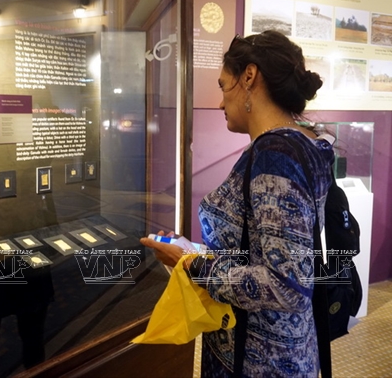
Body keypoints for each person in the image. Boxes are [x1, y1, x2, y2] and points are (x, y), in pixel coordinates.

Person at [141, 30, 335, 377]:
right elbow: (261, 251)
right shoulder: (304, 143)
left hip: (258, 361)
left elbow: (287, 285)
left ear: (249, 77)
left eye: (222, 86)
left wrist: (193, 265)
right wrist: (195, 251)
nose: (220, 103)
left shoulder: (275, 156)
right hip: (286, 351)